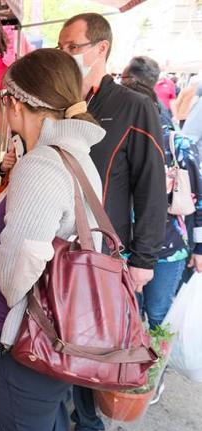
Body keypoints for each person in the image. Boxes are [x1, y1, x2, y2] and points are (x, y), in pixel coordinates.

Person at [0, 48, 105, 431]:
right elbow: (47, 241)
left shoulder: (40, 166)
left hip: (24, 341)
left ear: (15, 103)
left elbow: (17, 272)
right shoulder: (76, 156)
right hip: (59, 334)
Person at [58, 13, 168, 431]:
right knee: (54, 337)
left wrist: (144, 259)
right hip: (55, 248)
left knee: (96, 347)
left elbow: (151, 187)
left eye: (72, 47)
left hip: (104, 255)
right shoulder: (58, 100)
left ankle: (88, 428)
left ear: (100, 48)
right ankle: (54, 417)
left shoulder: (132, 106)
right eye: (61, 48)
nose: (65, 55)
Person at [122, 57, 202, 402]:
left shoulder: (177, 145)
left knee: (157, 315)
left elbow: (199, 199)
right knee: (128, 315)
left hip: (168, 252)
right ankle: (130, 373)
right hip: (125, 248)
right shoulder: (120, 142)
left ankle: (154, 377)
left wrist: (199, 248)